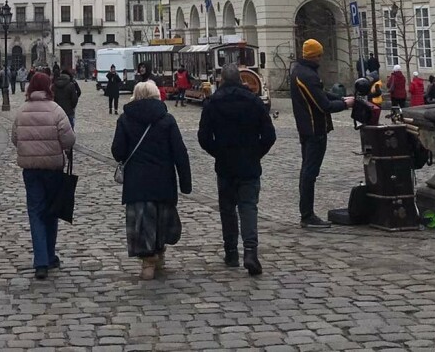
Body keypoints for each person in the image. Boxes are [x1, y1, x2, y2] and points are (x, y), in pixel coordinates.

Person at [196, 65, 275, 276]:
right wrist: (256, 153)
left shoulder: (213, 103)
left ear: (221, 80)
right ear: (240, 79)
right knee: (248, 207)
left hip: (225, 164)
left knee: (227, 209)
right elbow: (269, 135)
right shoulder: (254, 101)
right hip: (249, 163)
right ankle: (250, 251)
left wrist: (217, 152)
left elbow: (203, 137)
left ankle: (231, 252)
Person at [112, 79, 191, 281]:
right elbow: (180, 152)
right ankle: (159, 253)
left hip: (137, 181)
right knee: (161, 218)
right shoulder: (167, 119)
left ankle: (148, 261)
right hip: (163, 180)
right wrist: (185, 182)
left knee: (142, 221)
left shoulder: (125, 119)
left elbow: (118, 151)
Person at [11, 71, 75, 280]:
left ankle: (41, 262)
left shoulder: (22, 111)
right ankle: (49, 255)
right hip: (53, 169)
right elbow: (69, 140)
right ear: (49, 87)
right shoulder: (56, 110)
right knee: (51, 211)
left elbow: (15, 138)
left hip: (31, 170)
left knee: (36, 213)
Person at [289, 39, 351, 229]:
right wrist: (345, 104)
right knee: (310, 173)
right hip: (315, 129)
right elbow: (324, 105)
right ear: (314, 56)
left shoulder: (299, 71)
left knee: (306, 171)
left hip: (306, 129)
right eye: (319, 55)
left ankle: (306, 213)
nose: (321, 59)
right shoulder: (308, 76)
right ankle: (307, 215)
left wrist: (340, 97)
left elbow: (320, 93)